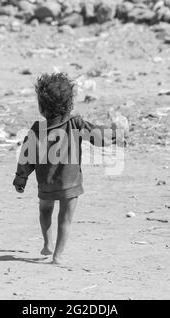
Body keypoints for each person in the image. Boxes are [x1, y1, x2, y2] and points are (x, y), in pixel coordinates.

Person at [13, 73, 122, 264]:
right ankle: (58, 255)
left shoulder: (36, 129)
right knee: (65, 219)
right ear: (70, 104)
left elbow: (26, 155)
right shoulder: (75, 123)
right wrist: (115, 133)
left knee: (45, 211)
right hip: (69, 185)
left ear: (41, 107)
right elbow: (99, 138)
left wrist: (21, 178)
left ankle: (47, 243)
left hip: (45, 184)